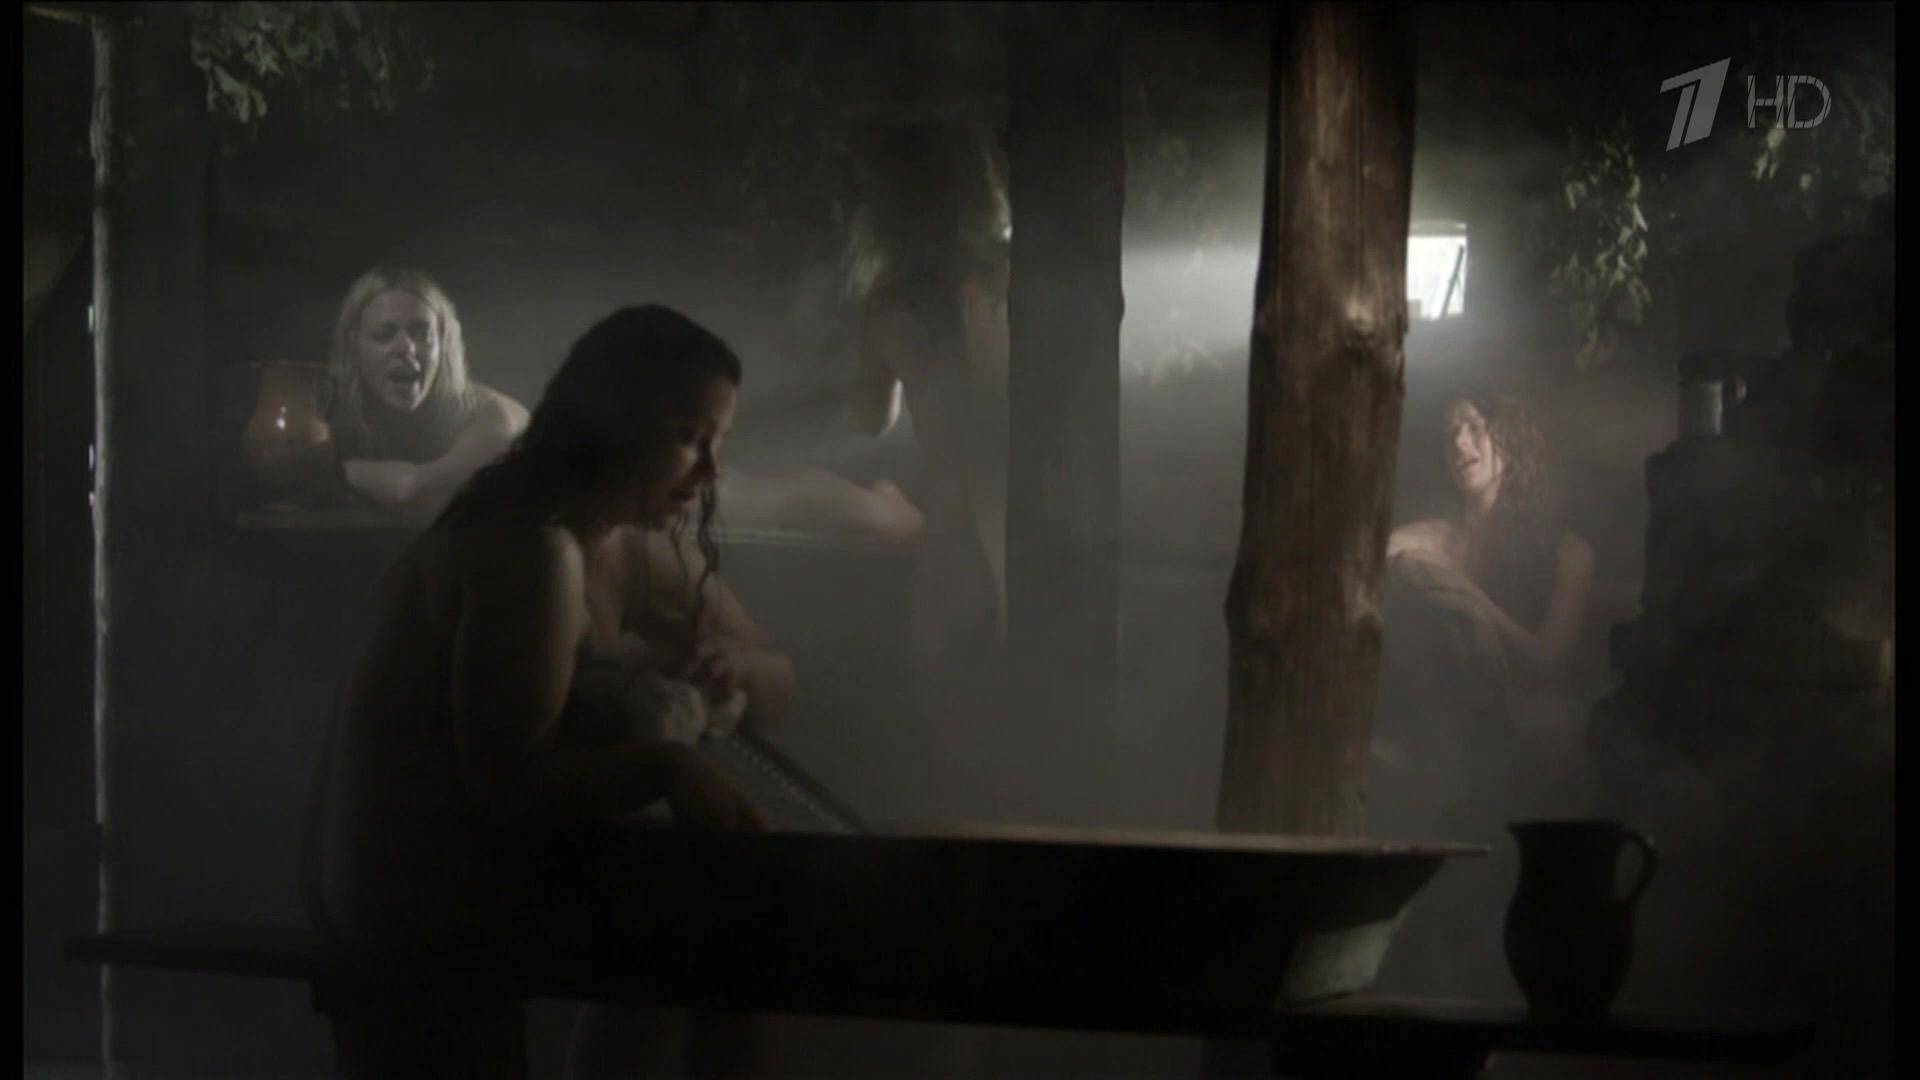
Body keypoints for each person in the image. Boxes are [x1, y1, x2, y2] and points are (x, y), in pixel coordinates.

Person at [305, 304, 794, 1076]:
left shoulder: (619, 536)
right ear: (615, 422)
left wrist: (741, 670)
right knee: (725, 912)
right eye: (689, 437)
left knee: (723, 904)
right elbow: (505, 785)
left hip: (459, 874)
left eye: (719, 444)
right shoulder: (527, 547)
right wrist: (668, 766)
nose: (711, 473)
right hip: (408, 895)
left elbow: (779, 675)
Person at [845, 118, 1012, 816]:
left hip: (954, 538)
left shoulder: (890, 305)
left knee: (950, 748)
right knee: (1032, 740)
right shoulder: (1014, 279)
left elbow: (867, 418)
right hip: (1027, 528)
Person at [326, 266, 531, 525]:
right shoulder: (335, 413)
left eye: (421, 333)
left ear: (443, 343)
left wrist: (337, 470)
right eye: (384, 334)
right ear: (353, 344)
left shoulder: (495, 416)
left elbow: (417, 495)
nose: (406, 347)